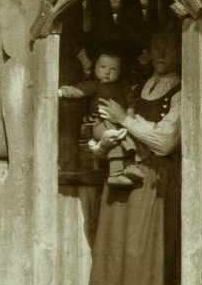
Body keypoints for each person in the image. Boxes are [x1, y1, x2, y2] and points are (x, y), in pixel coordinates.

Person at [81, 20, 182, 285]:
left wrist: (126, 119)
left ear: (180, 52)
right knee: (117, 256)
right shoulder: (140, 87)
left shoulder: (181, 91)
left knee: (147, 262)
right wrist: (104, 143)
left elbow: (166, 142)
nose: (162, 55)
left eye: (169, 49)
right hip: (125, 180)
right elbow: (113, 131)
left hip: (156, 182)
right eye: (157, 49)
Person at [57, 50, 142, 186]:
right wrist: (62, 91)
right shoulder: (94, 85)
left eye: (113, 69)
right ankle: (115, 173)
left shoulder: (124, 87)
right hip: (101, 123)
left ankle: (129, 165)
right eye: (103, 67)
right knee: (114, 135)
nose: (107, 72)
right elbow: (78, 91)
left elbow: (131, 102)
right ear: (95, 67)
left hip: (120, 121)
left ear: (120, 71)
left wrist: (129, 116)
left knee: (129, 133)